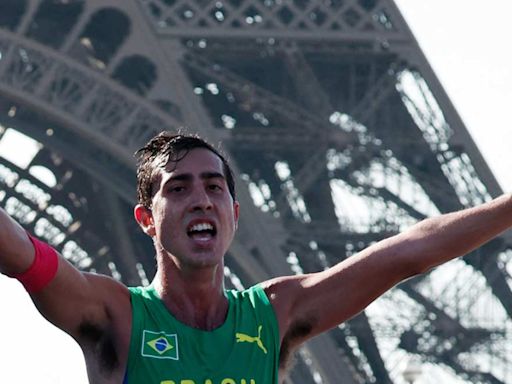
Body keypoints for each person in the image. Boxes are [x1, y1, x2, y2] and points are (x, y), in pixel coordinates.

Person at [1, 132, 512, 384]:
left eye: (214, 187)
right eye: (178, 188)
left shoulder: (275, 313)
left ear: (234, 213)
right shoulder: (117, 316)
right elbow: (23, 254)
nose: (201, 199)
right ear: (147, 220)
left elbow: (407, 253)